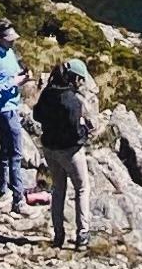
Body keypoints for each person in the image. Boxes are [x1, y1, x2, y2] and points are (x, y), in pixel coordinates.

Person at [34, 58, 99, 249]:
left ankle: (58, 234)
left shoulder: (48, 93)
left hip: (49, 149)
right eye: (81, 79)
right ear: (74, 79)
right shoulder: (72, 101)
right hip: (70, 151)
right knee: (82, 188)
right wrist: (85, 132)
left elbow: (37, 115)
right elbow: (75, 131)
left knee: (58, 189)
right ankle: (82, 234)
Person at [0, 23, 30, 209]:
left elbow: (13, 76)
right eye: (9, 39)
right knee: (16, 153)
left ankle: (2, 191)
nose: (12, 42)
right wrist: (13, 82)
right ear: (0, 39)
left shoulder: (9, 53)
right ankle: (19, 200)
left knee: (5, 151)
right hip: (5, 110)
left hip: (12, 107)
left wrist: (23, 77)